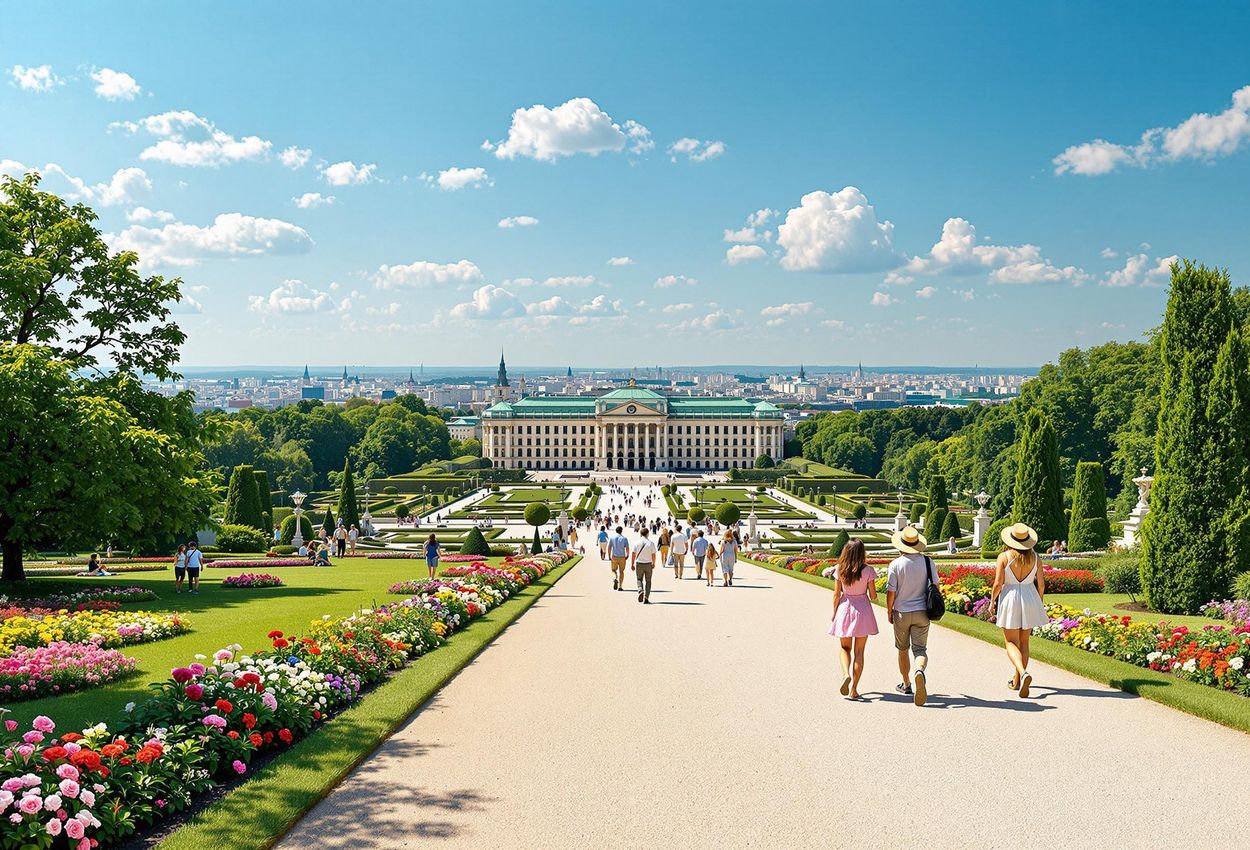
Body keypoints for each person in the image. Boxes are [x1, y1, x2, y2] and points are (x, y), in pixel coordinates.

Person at [988, 523, 1047, 699]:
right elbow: (1041, 584)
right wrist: (1039, 602)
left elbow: (998, 583)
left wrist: (992, 602)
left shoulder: (1004, 557)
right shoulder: (1036, 558)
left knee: (1010, 642)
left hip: (1010, 597)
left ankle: (1022, 673)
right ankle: (1017, 681)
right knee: (1024, 642)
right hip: (1030, 596)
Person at [885, 526, 935, 706]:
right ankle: (919, 671)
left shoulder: (896, 564)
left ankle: (906, 683)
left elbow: (891, 592)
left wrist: (889, 610)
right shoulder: (928, 562)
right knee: (920, 650)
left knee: (903, 649)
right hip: (922, 612)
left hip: (901, 613)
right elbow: (936, 586)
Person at [830, 539, 879, 700]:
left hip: (845, 608)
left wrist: (834, 612)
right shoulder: (868, 570)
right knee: (859, 651)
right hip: (862, 610)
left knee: (845, 648)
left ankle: (845, 674)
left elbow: (836, 595)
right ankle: (854, 689)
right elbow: (873, 596)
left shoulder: (840, 569)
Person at [631, 527, 657, 604]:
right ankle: (646, 597)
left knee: (639, 579)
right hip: (648, 564)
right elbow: (654, 555)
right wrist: (653, 563)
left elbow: (633, 554)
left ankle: (640, 590)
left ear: (640, 533)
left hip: (639, 563)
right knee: (648, 581)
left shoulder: (636, 542)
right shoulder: (651, 543)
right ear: (648, 534)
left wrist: (632, 563)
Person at [607, 525, 630, 591]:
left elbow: (609, 548)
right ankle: (620, 586)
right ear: (621, 531)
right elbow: (627, 548)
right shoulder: (624, 538)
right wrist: (627, 555)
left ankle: (615, 578)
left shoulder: (612, 538)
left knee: (613, 570)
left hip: (614, 556)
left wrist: (609, 556)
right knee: (621, 571)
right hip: (622, 557)